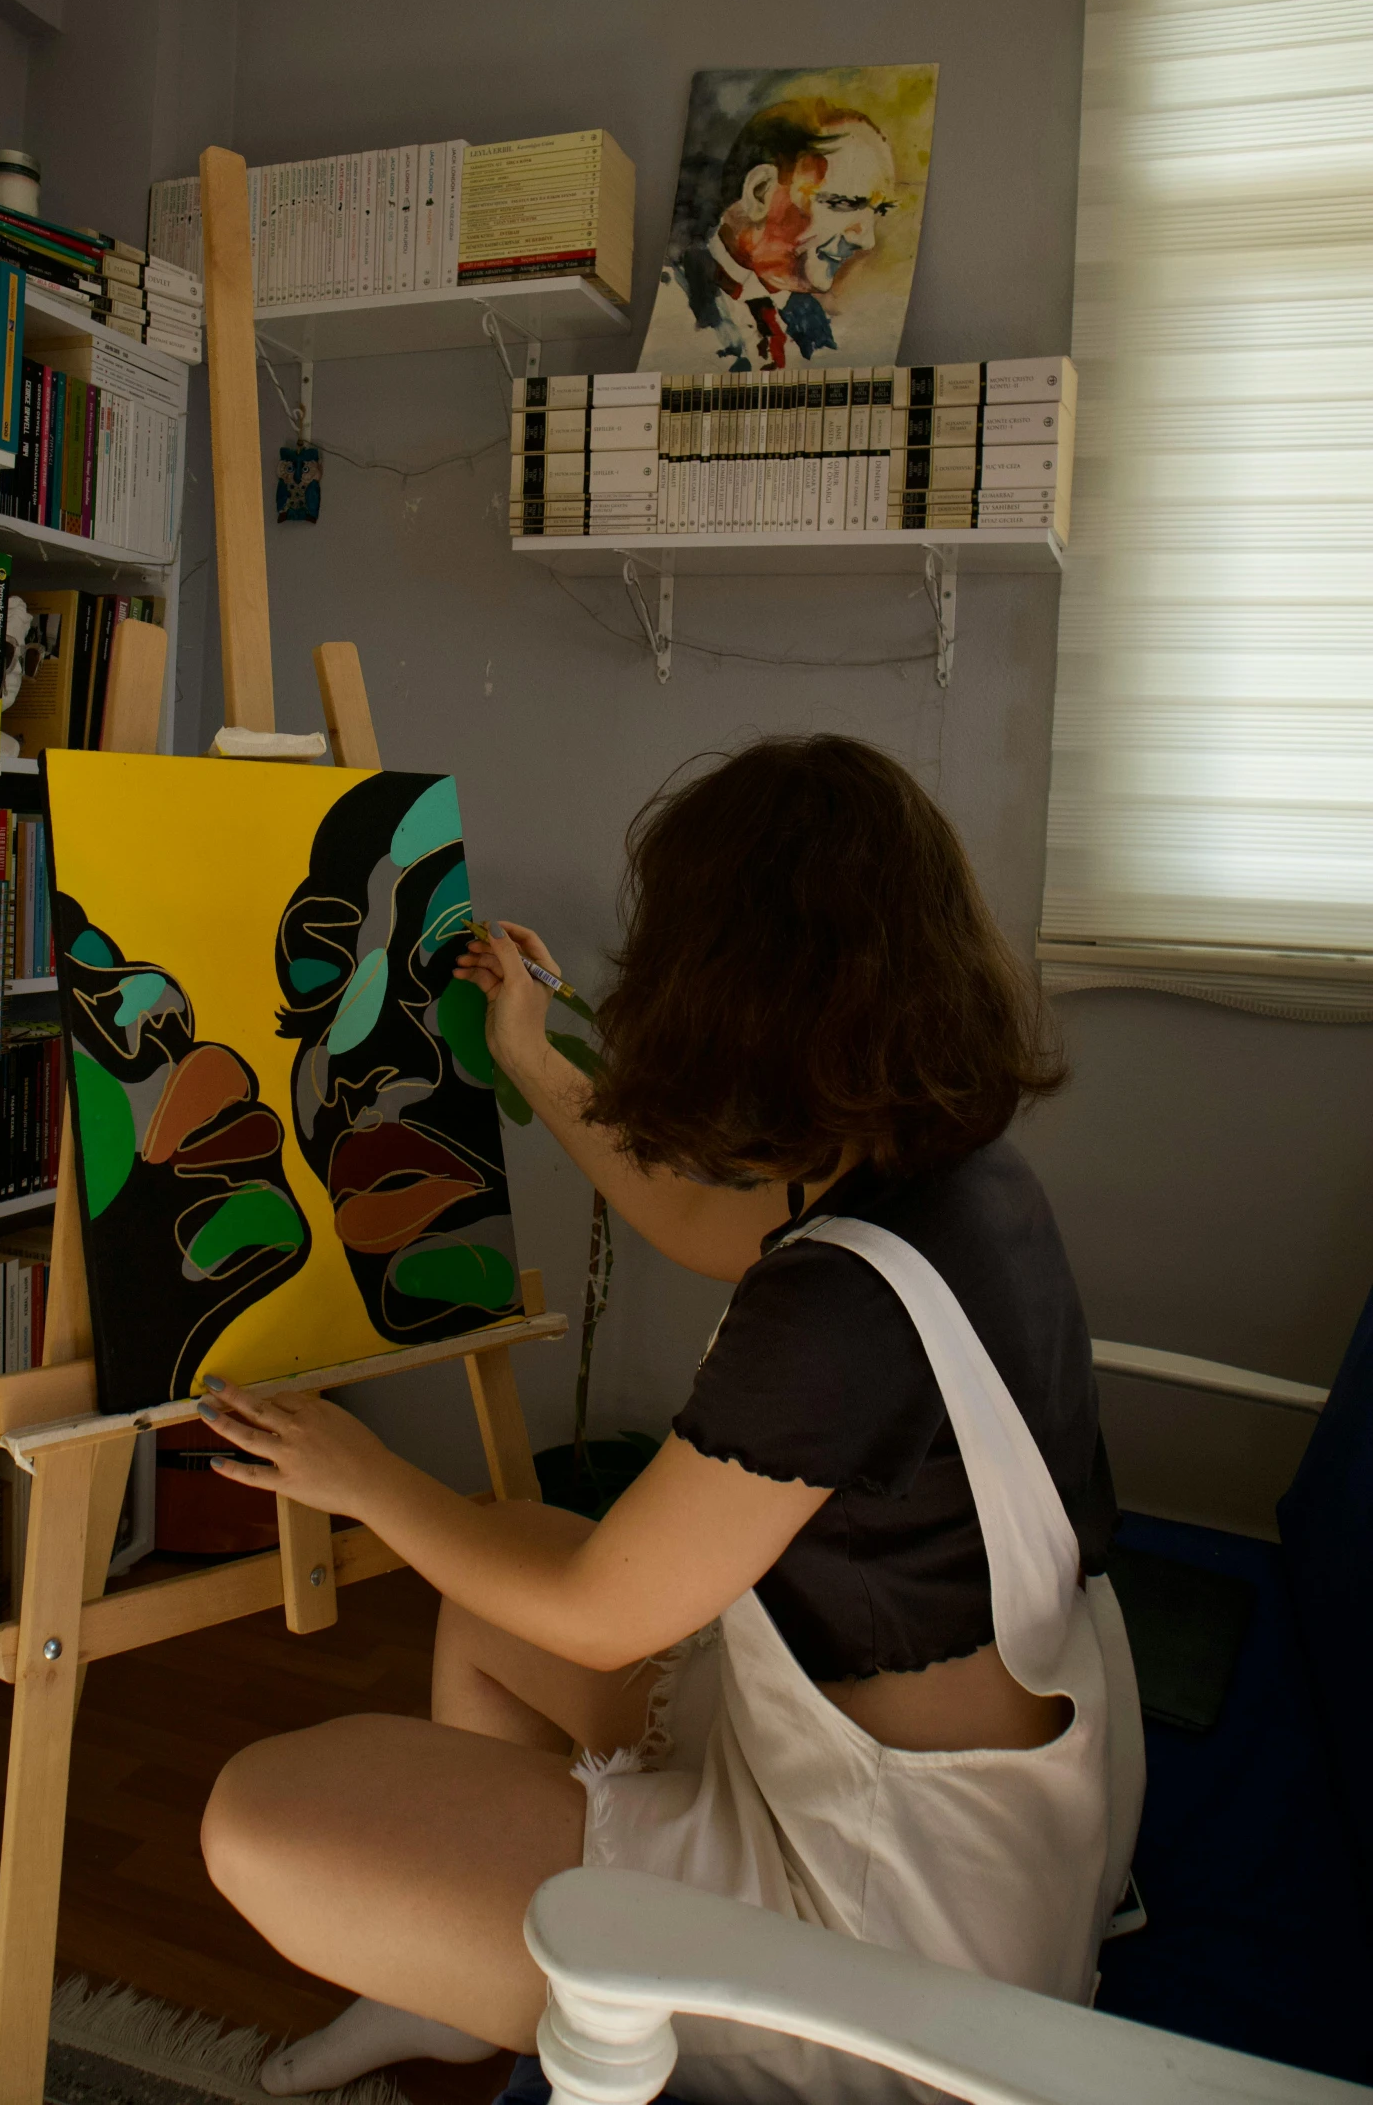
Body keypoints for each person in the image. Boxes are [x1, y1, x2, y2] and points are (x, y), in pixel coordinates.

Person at [197, 735, 1144, 2105]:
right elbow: (704, 1220)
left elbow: (599, 1611)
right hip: (965, 1813)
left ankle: (564, 1984)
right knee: (490, 1591)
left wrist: (366, 1474)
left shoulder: (835, 1309)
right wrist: (527, 1057)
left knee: (257, 1818)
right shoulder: (945, 1173)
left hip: (896, 1934)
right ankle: (456, 1997)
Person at [643, 96, 898, 373]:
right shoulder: (668, 298)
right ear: (759, 191)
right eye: (842, 203)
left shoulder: (818, 327)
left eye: (878, 210)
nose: (865, 240)